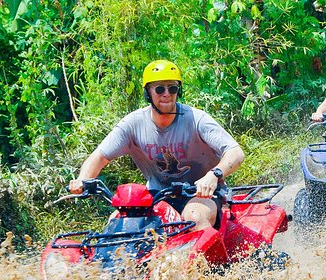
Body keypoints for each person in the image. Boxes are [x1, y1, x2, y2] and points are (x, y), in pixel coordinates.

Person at [68, 60, 245, 231]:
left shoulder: (196, 119)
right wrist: (82, 181)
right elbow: (99, 157)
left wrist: (214, 175)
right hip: (157, 195)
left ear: (179, 91)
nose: (166, 94)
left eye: (172, 88)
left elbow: (235, 153)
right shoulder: (133, 123)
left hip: (202, 194)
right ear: (148, 93)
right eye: (159, 88)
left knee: (194, 217)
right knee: (116, 223)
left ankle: (208, 262)